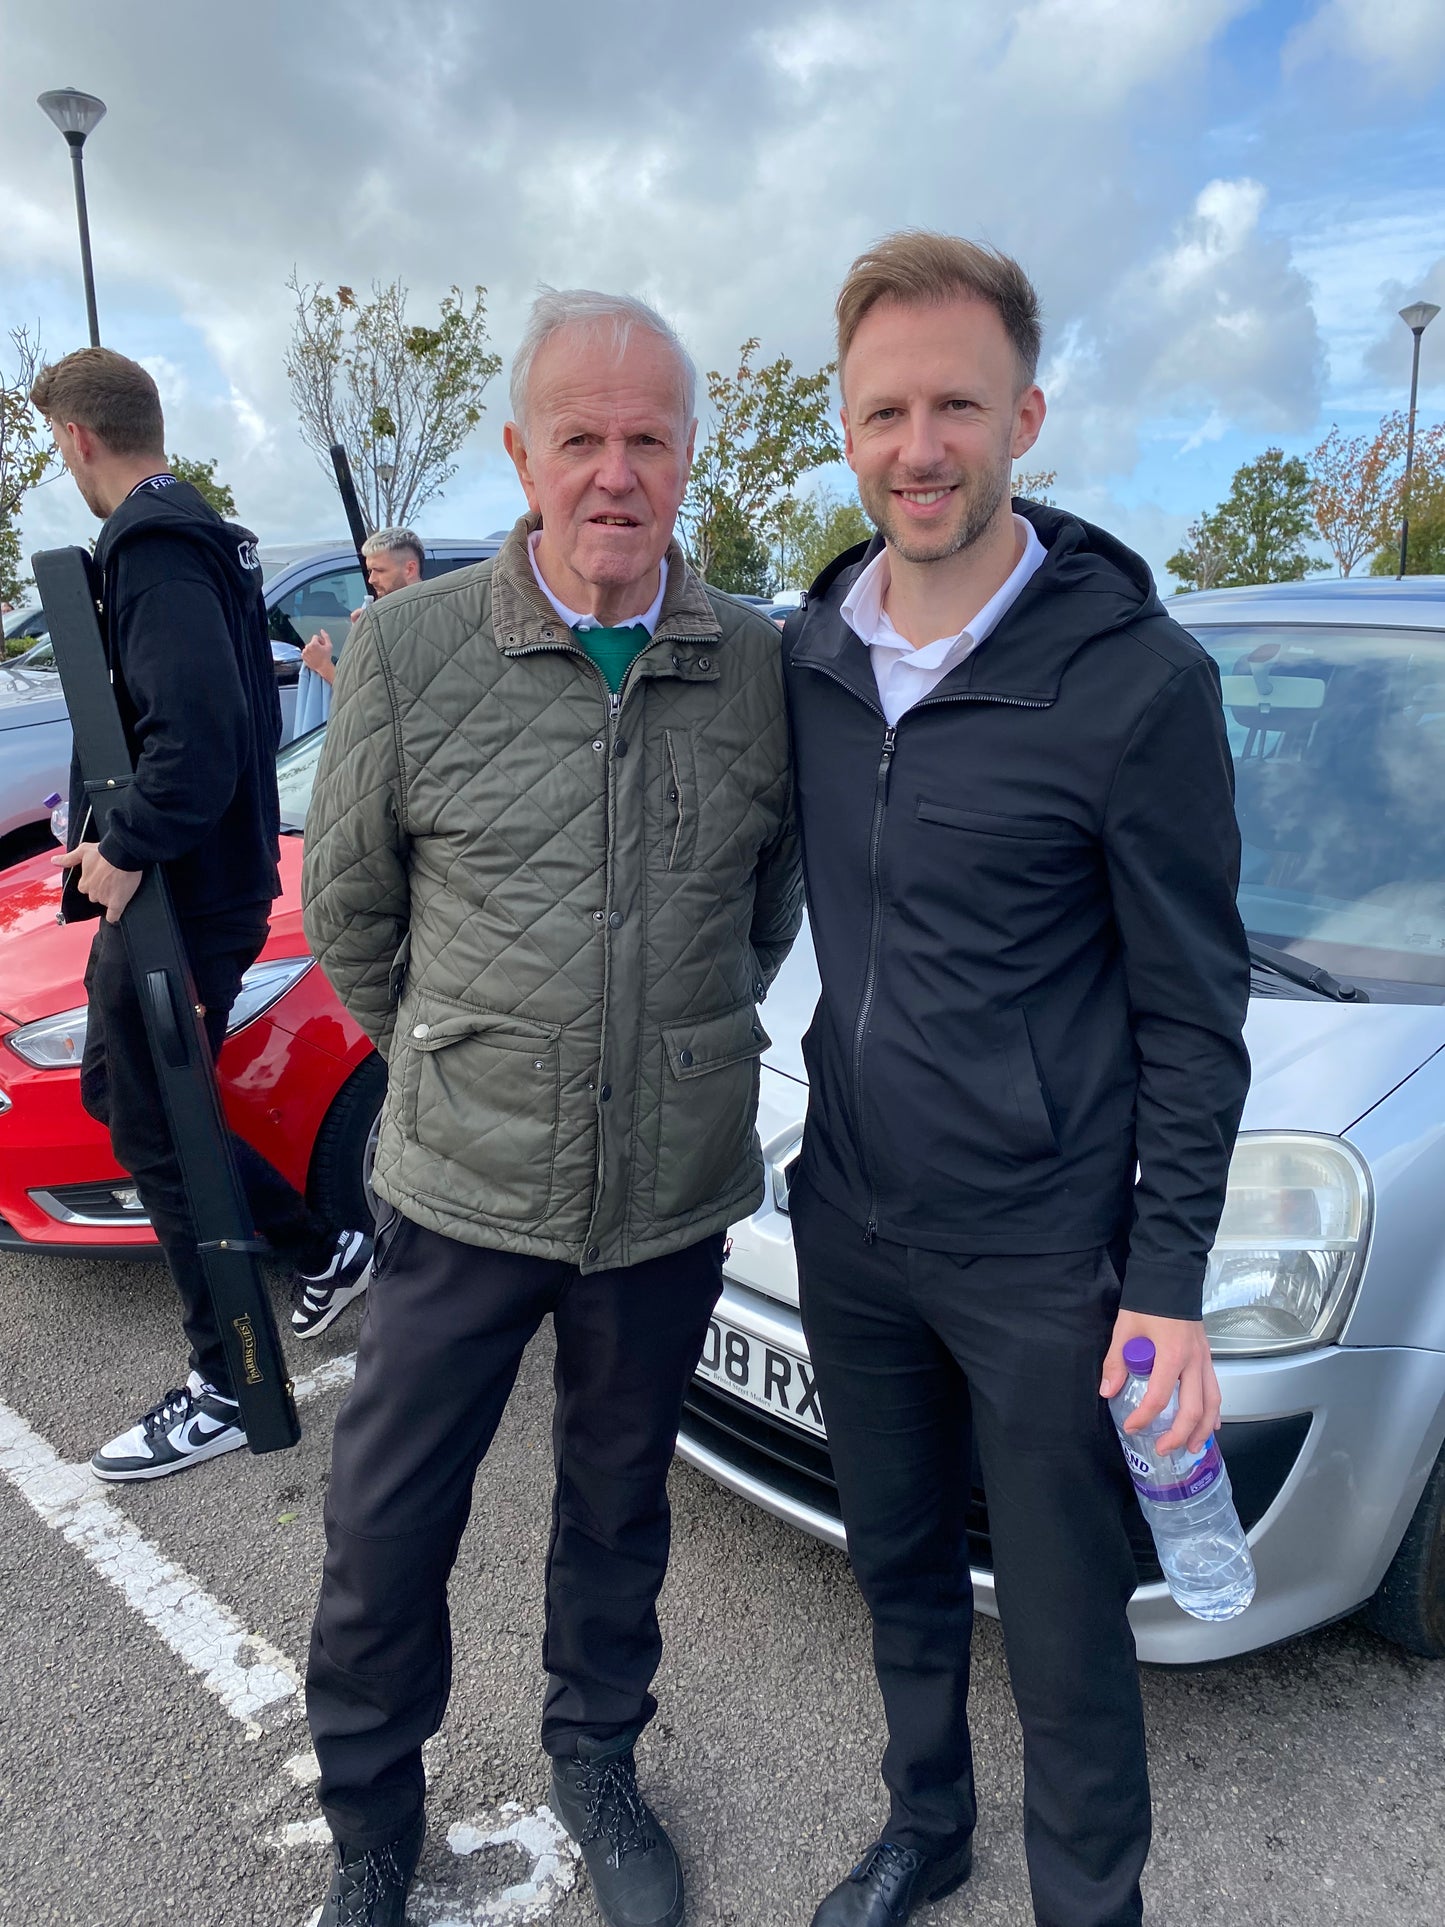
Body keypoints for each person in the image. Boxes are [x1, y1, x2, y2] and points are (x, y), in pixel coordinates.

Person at [300, 288, 801, 1927]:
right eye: (577, 436)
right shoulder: (408, 647)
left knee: (617, 1511)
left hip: (662, 1198)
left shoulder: (758, 670)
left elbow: (767, 906)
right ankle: (374, 1826)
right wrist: (456, 1051)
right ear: (523, 453)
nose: (612, 470)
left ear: (687, 459)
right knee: (385, 1531)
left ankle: (598, 1758)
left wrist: (667, 1047)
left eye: (645, 437)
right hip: (462, 1187)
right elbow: (351, 916)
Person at [782, 233, 1251, 1927]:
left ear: (1025, 415)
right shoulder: (812, 658)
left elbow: (1199, 1015)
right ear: (846, 428)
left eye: (957, 406)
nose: (920, 444)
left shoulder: (1137, 685)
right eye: (886, 409)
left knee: (1062, 1628)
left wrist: (1172, 1282)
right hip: (852, 1213)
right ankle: (930, 1822)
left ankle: (1087, 1899)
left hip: (1047, 1256)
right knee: (895, 1560)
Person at [30, 348, 375, 1481]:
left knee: (160, 1125)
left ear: (80, 438)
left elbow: (206, 729)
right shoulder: (191, 534)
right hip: (190, 888)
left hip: (184, 897)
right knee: (123, 1099)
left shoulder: (154, 542)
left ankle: (228, 1379)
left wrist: (127, 846)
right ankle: (326, 1241)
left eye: (55, 446)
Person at [293, 527, 424, 734]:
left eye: (379, 571)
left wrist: (322, 666)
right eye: (369, 571)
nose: (371, 580)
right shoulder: (392, 616)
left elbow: (378, 703)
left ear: (409, 569)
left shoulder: (419, 621)